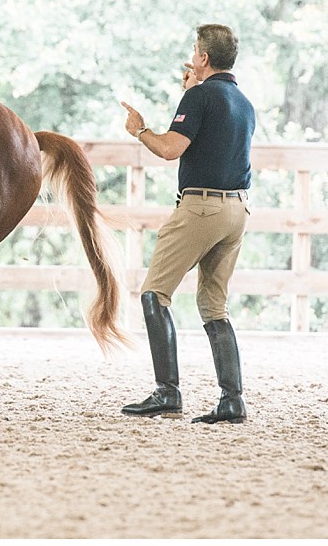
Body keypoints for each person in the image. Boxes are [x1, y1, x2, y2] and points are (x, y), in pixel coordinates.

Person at [118, 23, 255, 424]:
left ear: (203, 57)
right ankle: (232, 399)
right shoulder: (243, 102)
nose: (192, 56)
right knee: (214, 305)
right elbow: (213, 135)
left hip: (201, 208)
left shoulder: (199, 97)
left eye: (195, 50)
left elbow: (169, 149)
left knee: (154, 294)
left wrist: (140, 129)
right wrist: (193, 90)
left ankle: (167, 392)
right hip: (237, 210)